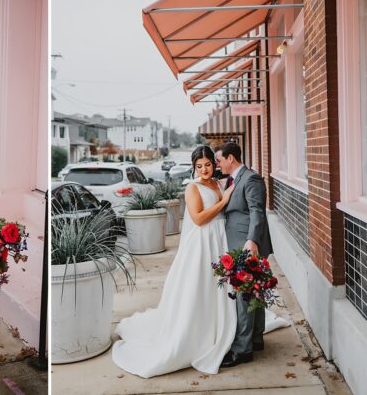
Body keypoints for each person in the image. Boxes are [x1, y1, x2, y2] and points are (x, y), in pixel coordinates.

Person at [112, 146, 288, 378]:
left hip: (224, 241)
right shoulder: (194, 187)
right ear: (194, 167)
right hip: (204, 242)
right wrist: (223, 200)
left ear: (222, 162)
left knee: (243, 290)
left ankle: (250, 339)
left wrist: (251, 239)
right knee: (210, 289)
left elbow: (255, 211)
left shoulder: (222, 182)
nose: (206, 168)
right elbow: (197, 218)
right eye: (200, 165)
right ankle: (220, 336)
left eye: (210, 163)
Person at [215, 142, 274, 368]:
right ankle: (256, 338)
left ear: (231, 158)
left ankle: (242, 350)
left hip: (247, 245)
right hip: (239, 242)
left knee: (244, 296)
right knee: (254, 293)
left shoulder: (251, 179)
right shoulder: (232, 180)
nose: (218, 164)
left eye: (220, 160)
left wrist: (252, 241)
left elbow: (257, 211)